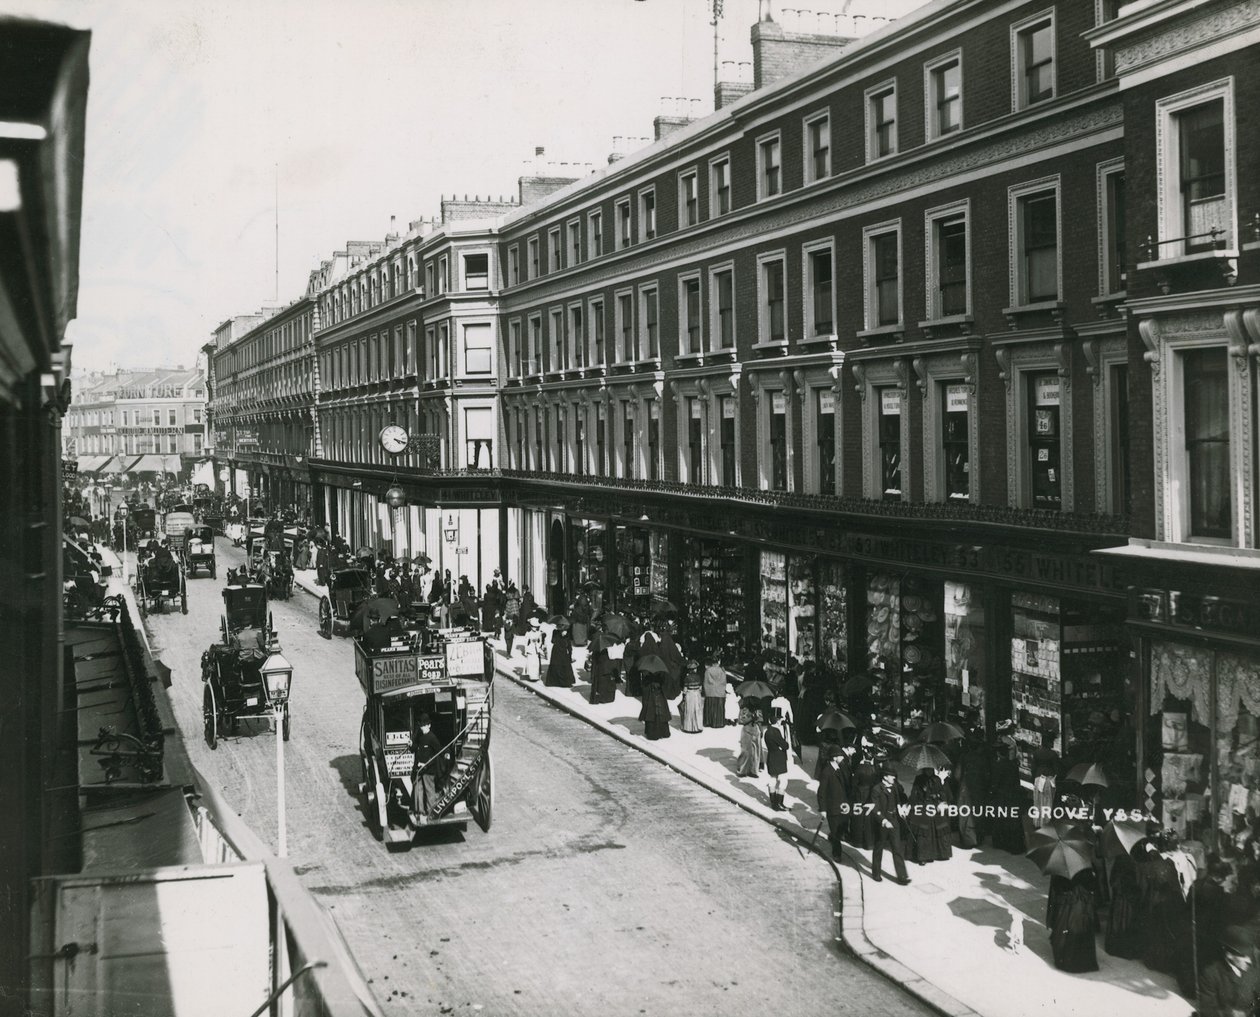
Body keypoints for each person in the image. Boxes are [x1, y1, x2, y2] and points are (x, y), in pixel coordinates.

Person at [1198, 926, 1260, 1017]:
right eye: (1244, 956)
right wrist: (1229, 1014)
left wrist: (1247, 1013)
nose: (1249, 961)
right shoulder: (1211, 974)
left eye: (1250, 956)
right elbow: (1207, 1011)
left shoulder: (1254, 971)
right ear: (1229, 955)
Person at [1047, 869, 1099, 973]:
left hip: (1068, 907)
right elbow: (1092, 886)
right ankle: (1082, 962)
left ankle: (1066, 960)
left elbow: (1057, 890)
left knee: (1066, 931)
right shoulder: (1085, 866)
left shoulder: (1059, 868)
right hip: (1081, 907)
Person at [870, 763, 911, 885]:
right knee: (879, 847)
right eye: (891, 776)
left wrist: (901, 810)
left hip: (894, 820)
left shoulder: (894, 787)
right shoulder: (876, 789)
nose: (894, 778)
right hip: (882, 822)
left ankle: (902, 876)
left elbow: (898, 802)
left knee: (897, 848)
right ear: (885, 777)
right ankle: (876, 872)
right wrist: (883, 821)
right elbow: (874, 808)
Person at [907, 766, 954, 864]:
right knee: (923, 828)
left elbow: (942, 794)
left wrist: (938, 798)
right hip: (923, 805)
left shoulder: (936, 779)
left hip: (935, 805)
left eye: (930, 770)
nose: (929, 771)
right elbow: (914, 794)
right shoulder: (919, 779)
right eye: (927, 769)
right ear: (924, 770)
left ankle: (941, 853)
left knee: (941, 824)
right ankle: (923, 856)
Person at [817, 747, 854, 855]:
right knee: (835, 831)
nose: (843, 757)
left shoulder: (840, 768)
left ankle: (832, 837)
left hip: (843, 805)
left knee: (841, 828)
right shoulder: (826, 772)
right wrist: (823, 809)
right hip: (832, 807)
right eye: (840, 756)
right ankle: (837, 854)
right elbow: (821, 792)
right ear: (834, 758)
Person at [410, 713, 448, 815]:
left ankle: (431, 812)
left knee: (429, 791)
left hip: (429, 770)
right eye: (421, 726)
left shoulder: (432, 738)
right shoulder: (420, 737)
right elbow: (414, 749)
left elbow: (439, 754)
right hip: (419, 769)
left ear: (429, 725)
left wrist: (427, 764)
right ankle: (420, 812)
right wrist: (411, 745)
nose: (422, 728)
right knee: (418, 789)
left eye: (424, 726)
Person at [765, 715, 790, 811]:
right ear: (778, 721)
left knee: (772, 779)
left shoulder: (767, 731)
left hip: (771, 757)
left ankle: (773, 803)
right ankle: (779, 803)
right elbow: (785, 745)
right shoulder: (776, 732)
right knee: (783, 781)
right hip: (779, 759)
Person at [639, 668, 672, 741]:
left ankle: (652, 734)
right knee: (661, 715)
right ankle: (663, 732)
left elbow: (644, 689)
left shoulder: (646, 678)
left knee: (651, 716)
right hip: (660, 699)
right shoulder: (661, 676)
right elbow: (665, 686)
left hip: (651, 700)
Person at [545, 622, 575, 688]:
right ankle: (555, 682)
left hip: (564, 653)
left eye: (566, 630)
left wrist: (570, 655)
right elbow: (552, 641)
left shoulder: (567, 635)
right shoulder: (555, 633)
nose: (565, 631)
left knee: (565, 667)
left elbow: (569, 645)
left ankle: (565, 683)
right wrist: (558, 635)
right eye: (563, 630)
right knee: (556, 665)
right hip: (556, 652)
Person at [702, 654, 728, 729]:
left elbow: (705, 681)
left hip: (710, 692)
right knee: (719, 708)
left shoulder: (708, 671)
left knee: (710, 708)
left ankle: (708, 722)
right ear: (718, 662)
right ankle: (719, 723)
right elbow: (724, 681)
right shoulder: (722, 671)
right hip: (719, 692)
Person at [679, 660, 704, 734]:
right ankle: (698, 727)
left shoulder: (687, 678)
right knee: (697, 711)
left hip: (689, 695)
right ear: (695, 669)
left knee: (689, 711)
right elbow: (700, 688)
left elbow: (685, 690)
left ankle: (689, 727)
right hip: (697, 695)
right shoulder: (698, 677)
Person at [736, 707, 761, 777]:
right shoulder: (744, 709)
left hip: (756, 731)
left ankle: (753, 771)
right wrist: (751, 718)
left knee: (755, 752)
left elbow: (761, 720)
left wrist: (757, 718)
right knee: (746, 752)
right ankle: (742, 771)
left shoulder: (758, 709)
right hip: (746, 731)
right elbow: (741, 721)